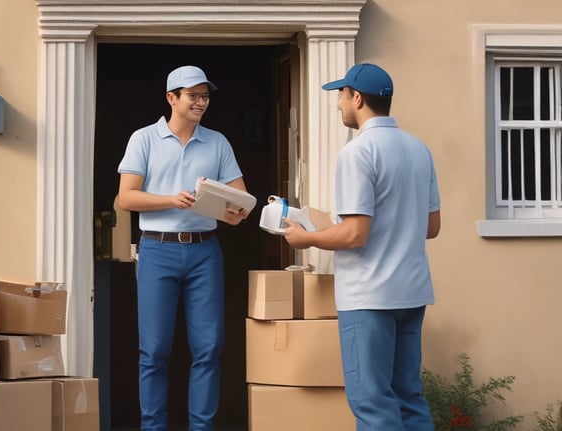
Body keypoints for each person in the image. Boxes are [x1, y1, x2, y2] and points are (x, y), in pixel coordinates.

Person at [282, 63, 441, 431]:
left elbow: (355, 235)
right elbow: (430, 227)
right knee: (408, 397)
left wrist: (306, 238)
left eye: (340, 95)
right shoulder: (419, 150)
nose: (338, 104)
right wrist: (327, 224)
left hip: (369, 296)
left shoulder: (357, 152)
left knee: (371, 402)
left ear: (356, 97)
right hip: (411, 292)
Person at [116, 65, 249, 431]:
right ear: (171, 98)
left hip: (205, 252)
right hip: (157, 249)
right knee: (154, 350)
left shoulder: (218, 142)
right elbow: (126, 198)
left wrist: (235, 214)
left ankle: (201, 428)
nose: (201, 102)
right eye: (193, 95)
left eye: (205, 96)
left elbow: (239, 198)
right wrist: (171, 200)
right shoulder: (143, 139)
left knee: (209, 348)